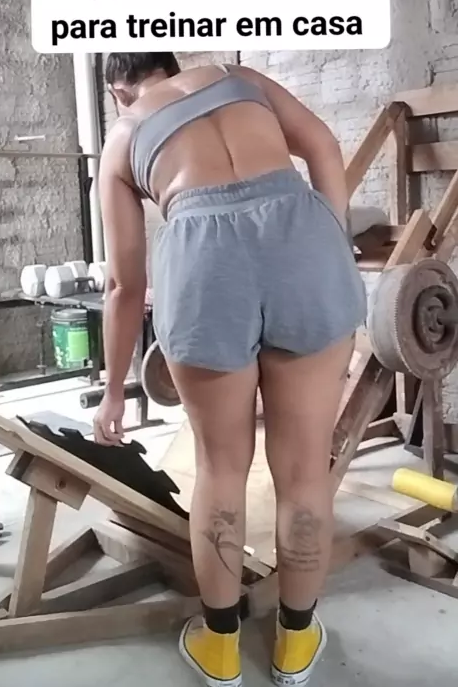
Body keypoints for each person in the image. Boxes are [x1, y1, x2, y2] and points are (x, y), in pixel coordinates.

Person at [93, 52, 366, 687]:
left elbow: (123, 285)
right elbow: (323, 145)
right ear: (172, 64)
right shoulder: (232, 77)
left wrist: (113, 391)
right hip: (302, 242)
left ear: (117, 92)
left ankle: (219, 649)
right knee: (304, 470)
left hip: (203, 261)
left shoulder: (124, 137)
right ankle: (295, 643)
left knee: (220, 469)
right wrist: (330, 236)